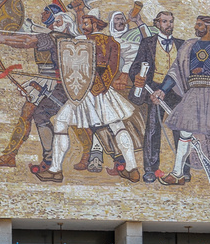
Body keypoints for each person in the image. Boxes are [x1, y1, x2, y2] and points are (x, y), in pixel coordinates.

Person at [35, 9, 140, 183]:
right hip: (103, 92)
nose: (83, 27)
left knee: (61, 122)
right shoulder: (112, 42)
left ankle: (55, 170)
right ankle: (132, 169)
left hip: (83, 91)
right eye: (82, 23)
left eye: (86, 23)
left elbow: (74, 70)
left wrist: (91, 86)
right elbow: (112, 69)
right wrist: (102, 85)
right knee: (117, 126)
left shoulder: (80, 42)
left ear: (95, 24)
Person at [0, 4, 74, 171]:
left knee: (36, 115)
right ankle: (13, 155)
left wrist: (3, 39)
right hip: (46, 81)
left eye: (47, 12)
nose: (43, 13)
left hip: (53, 82)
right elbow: (25, 37)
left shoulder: (53, 36)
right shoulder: (49, 33)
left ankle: (40, 157)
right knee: (30, 114)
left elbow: (27, 41)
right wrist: (4, 36)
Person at [152, 16, 210, 187]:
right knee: (185, 134)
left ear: (209, 27)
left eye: (200, 24)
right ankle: (177, 174)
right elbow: (175, 70)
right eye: (196, 23)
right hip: (194, 93)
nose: (196, 27)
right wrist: (163, 90)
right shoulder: (189, 45)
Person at [129, 11, 188, 183]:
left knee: (182, 130)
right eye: (164, 21)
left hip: (177, 92)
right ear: (157, 24)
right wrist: (138, 79)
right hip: (154, 90)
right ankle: (150, 170)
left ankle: (184, 169)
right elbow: (135, 69)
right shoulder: (148, 43)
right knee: (153, 129)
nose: (168, 24)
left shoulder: (182, 44)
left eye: (171, 21)